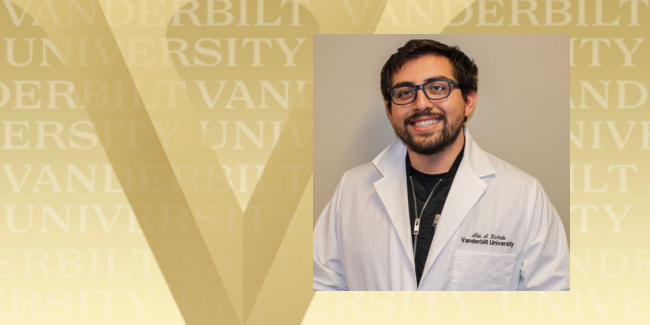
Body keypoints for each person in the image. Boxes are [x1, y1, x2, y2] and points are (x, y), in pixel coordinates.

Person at [312, 39, 569, 291]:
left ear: (469, 101)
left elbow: (552, 301)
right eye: (404, 93)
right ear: (390, 111)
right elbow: (322, 285)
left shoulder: (523, 195)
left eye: (437, 88)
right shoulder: (352, 189)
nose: (421, 104)